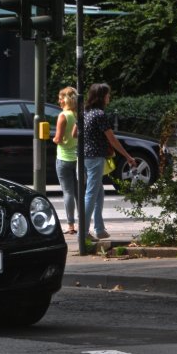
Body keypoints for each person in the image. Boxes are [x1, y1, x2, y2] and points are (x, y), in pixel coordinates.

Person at [82, 83, 137, 241]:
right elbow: (112, 140)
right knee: (91, 195)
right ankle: (83, 233)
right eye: (107, 95)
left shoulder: (84, 112)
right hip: (95, 158)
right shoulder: (99, 115)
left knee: (99, 193)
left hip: (85, 157)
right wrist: (128, 156)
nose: (109, 97)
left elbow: (74, 134)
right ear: (101, 97)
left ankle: (99, 229)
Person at [53, 86, 79, 235]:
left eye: (60, 98)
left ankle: (70, 226)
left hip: (63, 159)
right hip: (77, 159)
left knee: (68, 192)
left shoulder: (63, 116)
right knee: (78, 193)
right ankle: (84, 222)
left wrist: (54, 139)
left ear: (65, 99)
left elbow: (58, 139)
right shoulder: (78, 115)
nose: (59, 100)